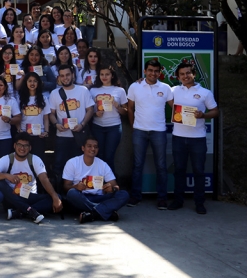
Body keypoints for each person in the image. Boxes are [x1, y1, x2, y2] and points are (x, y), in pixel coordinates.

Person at [168, 62, 219, 214]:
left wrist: (204, 115)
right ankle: (178, 200)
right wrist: (140, 81)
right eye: (182, 74)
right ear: (178, 77)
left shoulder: (205, 93)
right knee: (179, 170)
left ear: (194, 74)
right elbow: (157, 89)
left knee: (198, 171)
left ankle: (199, 202)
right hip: (178, 137)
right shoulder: (174, 90)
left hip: (198, 138)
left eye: (188, 73)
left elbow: (215, 111)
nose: (185, 76)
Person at [127, 59, 173, 209]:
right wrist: (133, 126)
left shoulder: (166, 88)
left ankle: (162, 198)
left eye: (156, 71)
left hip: (159, 131)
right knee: (137, 165)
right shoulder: (135, 86)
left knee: (161, 165)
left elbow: (176, 108)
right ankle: (135, 196)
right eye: (150, 70)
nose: (153, 73)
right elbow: (130, 108)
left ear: (160, 73)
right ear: (145, 71)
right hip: (139, 130)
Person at [0, 132, 63, 223]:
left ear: (30, 148)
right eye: (19, 145)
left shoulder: (35, 159)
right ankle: (30, 211)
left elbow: (44, 179)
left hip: (29, 196)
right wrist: (6, 175)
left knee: (57, 197)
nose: (22, 148)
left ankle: (20, 212)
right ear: (14, 145)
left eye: (26, 146)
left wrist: (55, 197)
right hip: (12, 197)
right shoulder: (6, 159)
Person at [63, 135, 130, 223]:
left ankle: (92, 214)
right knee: (71, 193)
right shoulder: (72, 162)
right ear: (83, 148)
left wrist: (112, 189)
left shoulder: (103, 164)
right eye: (89, 146)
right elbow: (65, 186)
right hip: (82, 198)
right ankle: (105, 211)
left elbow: (115, 186)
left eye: (95, 147)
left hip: (100, 197)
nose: (93, 149)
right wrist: (76, 187)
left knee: (124, 194)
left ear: (98, 150)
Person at [48, 65, 94, 187]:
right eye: (62, 76)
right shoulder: (54, 93)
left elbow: (90, 109)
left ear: (73, 75)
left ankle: (77, 192)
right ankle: (59, 193)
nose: (65, 78)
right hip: (62, 136)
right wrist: (56, 124)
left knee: (79, 167)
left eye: (67, 75)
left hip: (79, 136)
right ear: (59, 78)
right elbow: (51, 114)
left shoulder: (83, 90)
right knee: (59, 165)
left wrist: (82, 124)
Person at [89, 66, 128, 172]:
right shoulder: (93, 90)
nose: (104, 77)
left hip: (114, 127)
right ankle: (97, 184)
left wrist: (117, 106)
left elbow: (126, 111)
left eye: (107, 74)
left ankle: (111, 185)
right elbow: (88, 111)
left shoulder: (120, 91)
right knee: (98, 156)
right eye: (102, 74)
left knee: (109, 157)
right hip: (97, 126)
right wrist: (95, 114)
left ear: (112, 75)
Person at [17, 72, 50, 158]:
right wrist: (19, 129)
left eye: (35, 81)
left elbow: (46, 117)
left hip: (39, 135)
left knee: (38, 159)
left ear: (38, 83)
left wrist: (46, 131)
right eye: (30, 81)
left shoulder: (44, 98)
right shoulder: (20, 99)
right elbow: (17, 116)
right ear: (26, 83)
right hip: (24, 134)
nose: (32, 83)